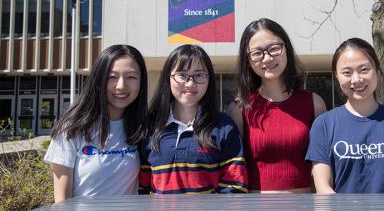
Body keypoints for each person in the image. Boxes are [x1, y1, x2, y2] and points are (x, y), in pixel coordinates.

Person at [306, 38, 384, 200]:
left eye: (364, 69)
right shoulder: (323, 125)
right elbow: (323, 189)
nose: (356, 79)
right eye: (347, 72)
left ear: (377, 70)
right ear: (336, 76)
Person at [228, 18, 326, 193]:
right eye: (257, 53)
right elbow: (233, 172)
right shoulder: (239, 109)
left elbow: (321, 166)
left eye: (274, 48)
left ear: (286, 49)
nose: (267, 58)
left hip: (303, 206)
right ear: (248, 60)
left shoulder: (314, 103)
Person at [44, 45, 149, 202]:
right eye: (112, 77)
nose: (121, 86)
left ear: (141, 83)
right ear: (99, 80)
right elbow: (61, 200)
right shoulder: (72, 129)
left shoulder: (143, 128)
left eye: (131, 77)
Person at [139, 44, 247, 194]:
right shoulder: (150, 127)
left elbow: (235, 187)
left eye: (199, 75)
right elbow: (142, 188)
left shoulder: (224, 127)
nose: (190, 83)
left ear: (209, 80)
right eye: (182, 75)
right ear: (168, 78)